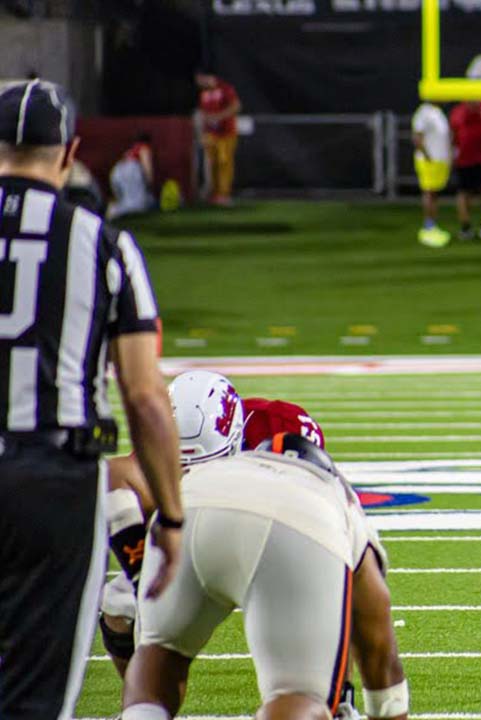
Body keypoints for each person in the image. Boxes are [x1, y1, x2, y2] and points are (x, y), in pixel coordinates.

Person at [0, 79, 184, 719]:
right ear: (68, 150)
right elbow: (144, 395)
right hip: (55, 477)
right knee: (34, 694)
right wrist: (174, 520)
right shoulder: (101, 241)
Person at [122, 432, 408, 720]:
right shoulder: (335, 494)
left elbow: (115, 474)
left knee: (160, 654)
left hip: (190, 502)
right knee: (298, 693)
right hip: (299, 517)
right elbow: (380, 657)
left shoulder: (227, 465)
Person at [449, 101, 481, 241]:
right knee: (464, 194)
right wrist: (453, 153)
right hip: (464, 160)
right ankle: (466, 228)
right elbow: (453, 135)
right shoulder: (458, 112)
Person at [195, 70, 240, 206]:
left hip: (226, 133)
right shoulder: (204, 93)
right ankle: (214, 194)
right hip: (211, 134)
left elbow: (236, 106)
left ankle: (224, 194)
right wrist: (202, 132)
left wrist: (219, 116)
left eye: (199, 79)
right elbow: (203, 113)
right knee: (212, 164)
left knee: (224, 163)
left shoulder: (225, 88)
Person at [412, 100, 451, 248]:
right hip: (430, 161)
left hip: (438, 160)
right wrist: (428, 157)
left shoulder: (437, 112)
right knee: (429, 192)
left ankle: (432, 225)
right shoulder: (423, 112)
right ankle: (428, 226)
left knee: (434, 193)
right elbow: (417, 138)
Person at [107, 132, 155, 220]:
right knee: (135, 204)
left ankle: (115, 209)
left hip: (118, 170)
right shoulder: (144, 148)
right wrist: (149, 180)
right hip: (131, 171)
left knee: (126, 199)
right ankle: (116, 211)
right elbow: (146, 165)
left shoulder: (131, 150)